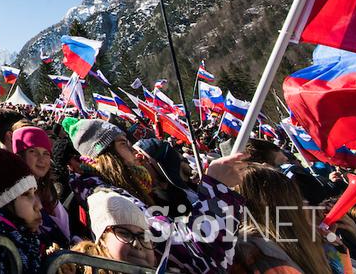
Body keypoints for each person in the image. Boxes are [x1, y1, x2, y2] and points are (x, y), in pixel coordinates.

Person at [64, 116, 246, 274]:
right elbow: (193, 257)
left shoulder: (107, 191)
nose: (133, 151)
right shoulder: (110, 199)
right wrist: (215, 189)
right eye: (122, 143)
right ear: (106, 154)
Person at [230, 165, 347, 274]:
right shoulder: (261, 257)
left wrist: (330, 247)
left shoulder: (274, 250)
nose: (305, 203)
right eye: (298, 197)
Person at [13, 125, 70, 248]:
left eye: (46, 153)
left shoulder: (49, 190)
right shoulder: (17, 195)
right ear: (20, 155)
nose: (41, 159)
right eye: (33, 152)